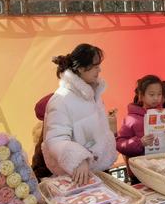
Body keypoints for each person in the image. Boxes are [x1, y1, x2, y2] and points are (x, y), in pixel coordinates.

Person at [42, 43, 118, 186]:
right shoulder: (61, 100)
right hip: (76, 177)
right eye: (95, 66)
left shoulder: (93, 93)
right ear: (81, 69)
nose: (99, 70)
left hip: (98, 171)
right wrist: (78, 159)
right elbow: (55, 139)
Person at [116, 75, 165, 160]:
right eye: (151, 94)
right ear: (141, 95)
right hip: (141, 164)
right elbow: (120, 144)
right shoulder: (131, 119)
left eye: (159, 94)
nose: (156, 98)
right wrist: (140, 142)